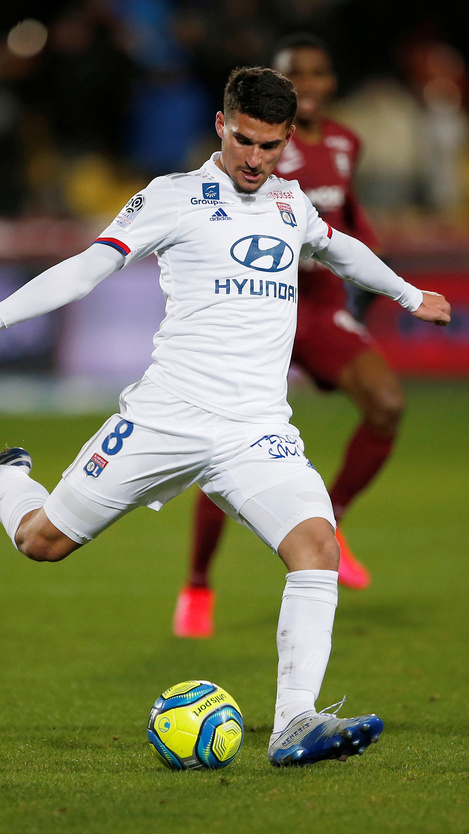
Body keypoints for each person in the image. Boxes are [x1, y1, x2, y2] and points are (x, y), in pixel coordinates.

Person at [0, 67, 451, 766]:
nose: (255, 159)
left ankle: (295, 723)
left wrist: (409, 294)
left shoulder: (289, 204)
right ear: (222, 125)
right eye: (245, 141)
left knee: (316, 548)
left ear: (288, 140)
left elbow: (337, 246)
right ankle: (3, 478)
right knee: (42, 543)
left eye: (270, 146)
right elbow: (85, 269)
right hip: (166, 418)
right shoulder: (172, 198)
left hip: (256, 430)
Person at [172, 34, 403, 639]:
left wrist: (372, 266)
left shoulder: (346, 143)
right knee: (224, 448)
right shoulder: (257, 144)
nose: (311, 84)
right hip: (253, 305)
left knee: (386, 403)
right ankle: (198, 583)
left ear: (332, 81)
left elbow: (347, 215)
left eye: (319, 72)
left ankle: (335, 518)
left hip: (318, 308)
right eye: (296, 74)